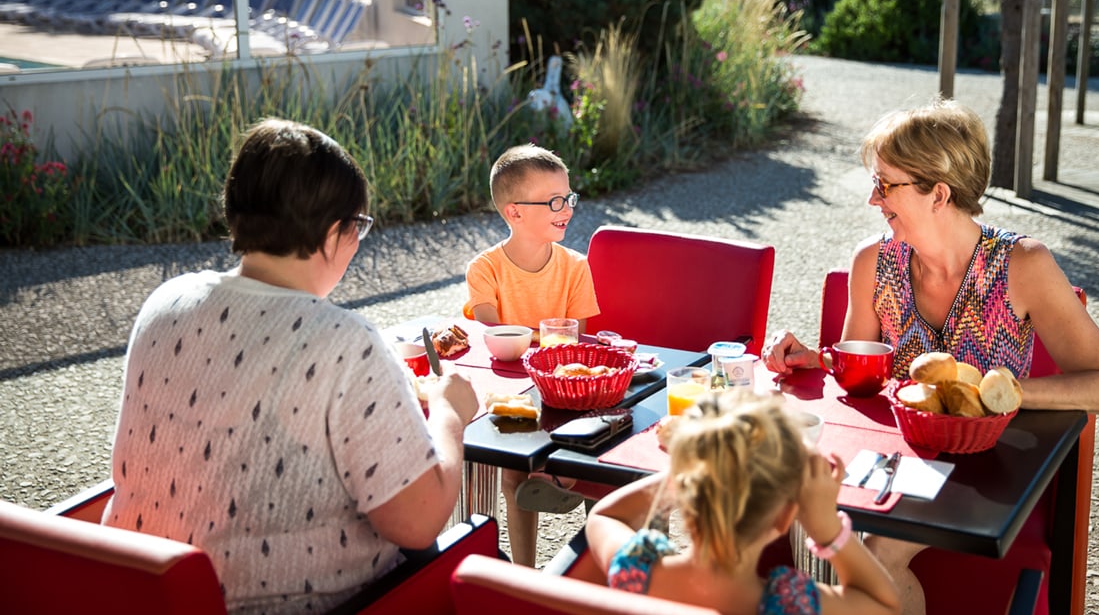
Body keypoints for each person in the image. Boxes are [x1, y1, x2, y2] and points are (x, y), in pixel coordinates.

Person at [762, 98, 1099, 614]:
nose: (874, 199)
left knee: (873, 555)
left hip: (983, 468)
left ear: (938, 193)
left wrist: (997, 395)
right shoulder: (873, 260)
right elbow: (866, 376)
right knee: (783, 516)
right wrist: (812, 356)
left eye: (886, 184)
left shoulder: (1022, 264)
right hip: (898, 459)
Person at [102, 119, 479, 614]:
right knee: (462, 546)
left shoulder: (165, 303)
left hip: (138, 593)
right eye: (357, 228)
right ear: (331, 234)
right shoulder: (344, 342)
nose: (358, 244)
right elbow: (417, 521)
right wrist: (450, 414)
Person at [586, 390, 901, 615]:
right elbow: (885, 604)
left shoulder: (638, 574)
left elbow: (603, 516)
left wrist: (693, 464)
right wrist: (826, 527)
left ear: (686, 489)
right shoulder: (788, 605)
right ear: (784, 517)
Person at [464, 142, 601, 567]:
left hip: (561, 388)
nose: (567, 208)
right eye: (555, 201)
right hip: (511, 392)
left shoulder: (575, 266)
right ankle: (525, 569)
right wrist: (547, 337)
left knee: (593, 438)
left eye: (569, 197)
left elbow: (578, 341)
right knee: (513, 464)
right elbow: (492, 334)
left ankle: (566, 487)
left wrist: (538, 341)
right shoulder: (485, 269)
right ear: (515, 212)